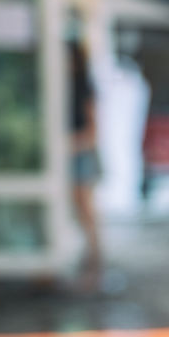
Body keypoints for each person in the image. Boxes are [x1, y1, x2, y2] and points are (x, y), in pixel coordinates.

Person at [69, 41, 102, 288]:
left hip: (80, 153)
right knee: (77, 205)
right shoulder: (62, 88)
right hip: (72, 152)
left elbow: (93, 131)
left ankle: (94, 253)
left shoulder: (84, 88)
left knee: (84, 205)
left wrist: (69, 145)